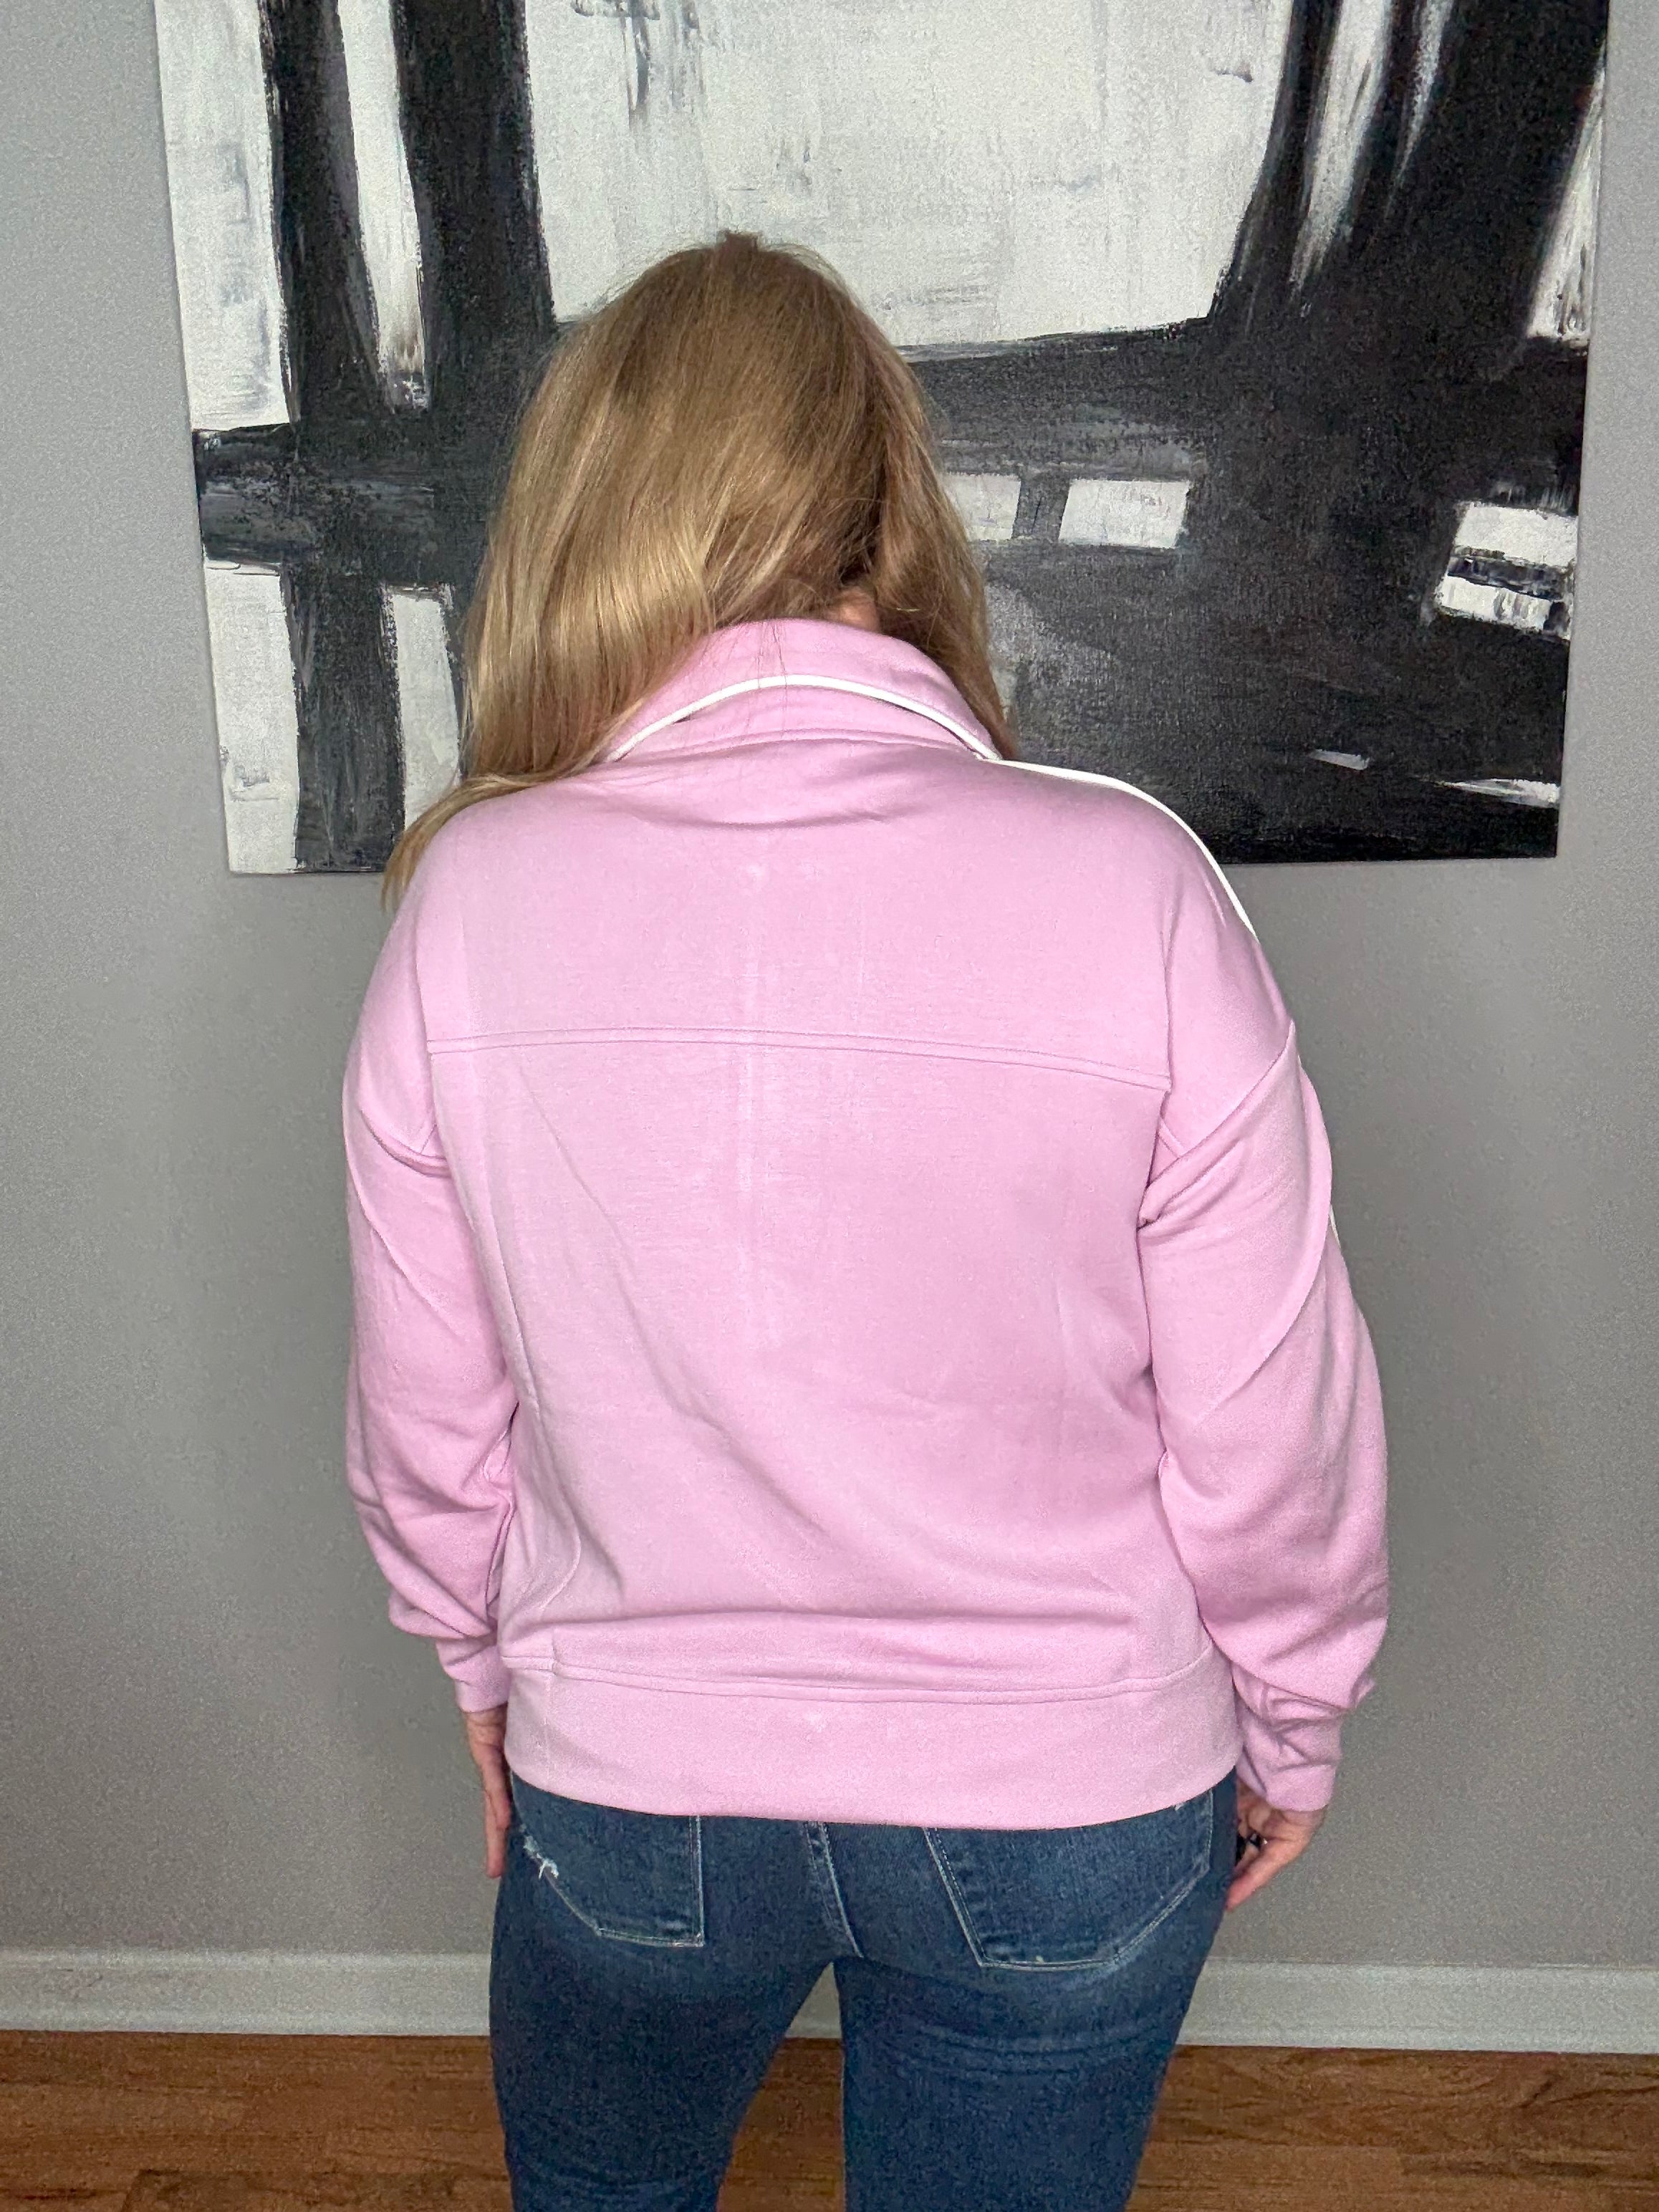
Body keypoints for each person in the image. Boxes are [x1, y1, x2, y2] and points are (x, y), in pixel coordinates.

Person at [340, 231, 1389, 2211]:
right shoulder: (1133, 883)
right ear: (890, 508)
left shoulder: (471, 900)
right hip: (1069, 1789)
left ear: (583, 515)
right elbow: (1272, 1423)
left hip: (637, 1782)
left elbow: (427, 1411)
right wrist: (1296, 1710)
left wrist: (478, 1664)